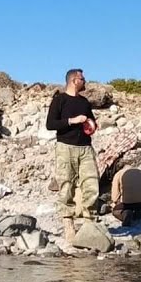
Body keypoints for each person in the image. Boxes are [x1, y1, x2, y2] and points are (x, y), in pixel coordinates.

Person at [46, 68, 98, 243]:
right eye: (82, 79)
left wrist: (91, 125)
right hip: (65, 147)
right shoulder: (59, 100)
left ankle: (90, 223)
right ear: (74, 81)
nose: (85, 81)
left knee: (91, 183)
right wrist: (72, 121)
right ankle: (69, 225)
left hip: (85, 148)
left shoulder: (84, 102)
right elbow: (50, 124)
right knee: (66, 185)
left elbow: (91, 121)